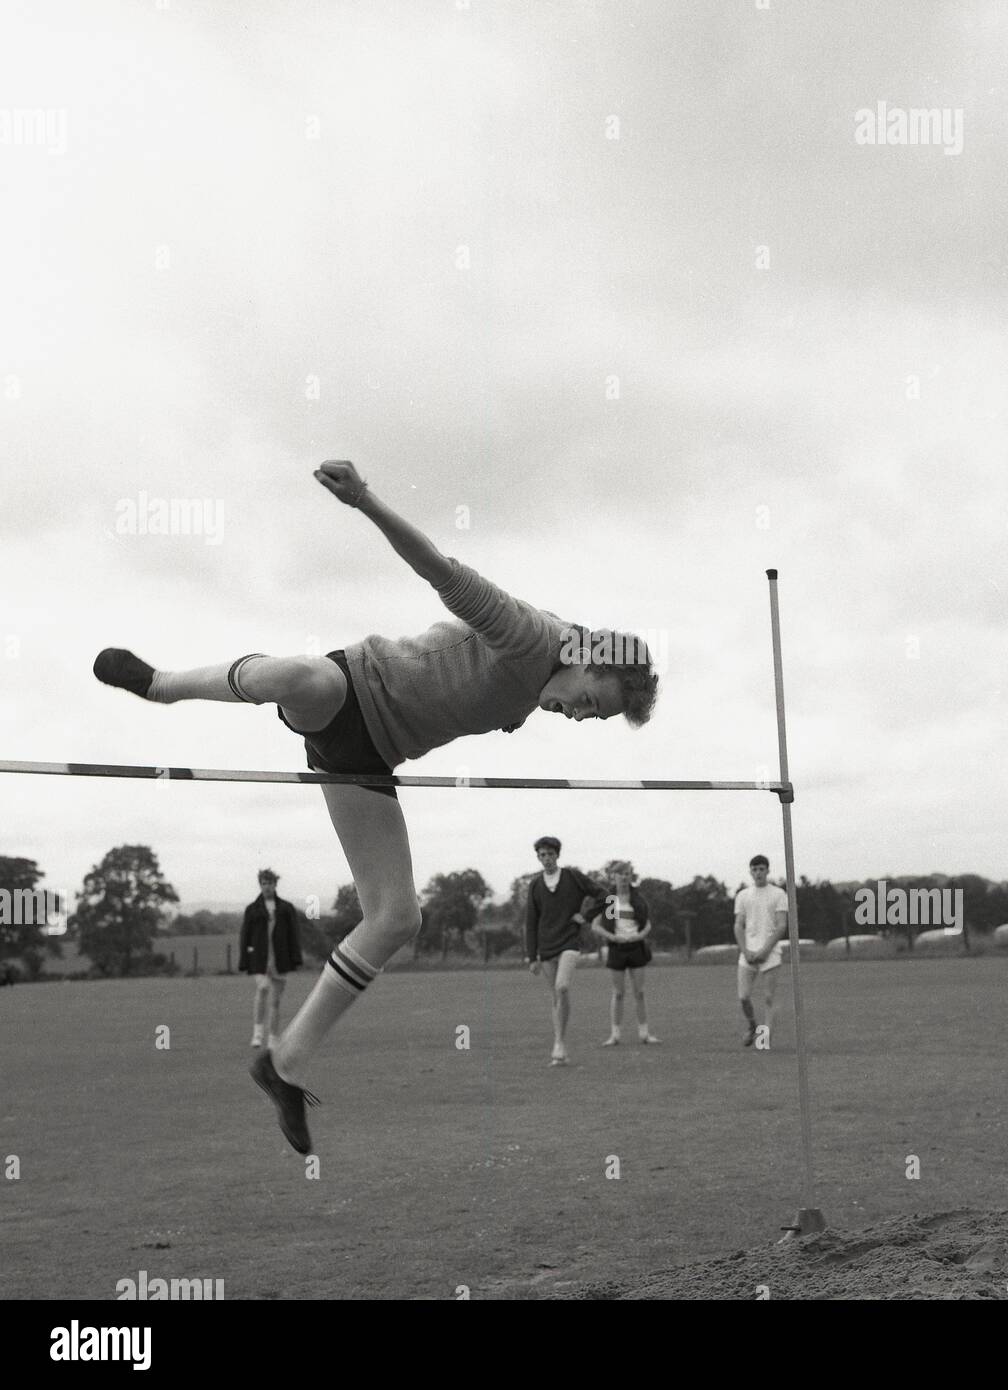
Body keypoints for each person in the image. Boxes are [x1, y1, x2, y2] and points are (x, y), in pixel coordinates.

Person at [94, 461, 657, 1152]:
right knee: (301, 677)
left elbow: (479, 695)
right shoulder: (530, 634)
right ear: (589, 656)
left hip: (364, 759)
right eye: (590, 703)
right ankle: (161, 683)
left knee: (396, 917)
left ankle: (283, 1062)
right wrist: (365, 501)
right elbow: (440, 569)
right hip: (350, 689)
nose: (577, 716)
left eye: (591, 720)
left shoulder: (538, 689)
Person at [524, 837, 605, 1065]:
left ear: (557, 855)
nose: (546, 859)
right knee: (555, 997)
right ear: (538, 857)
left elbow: (606, 897)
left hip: (570, 942)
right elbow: (531, 922)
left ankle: (559, 1044)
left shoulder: (573, 877)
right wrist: (532, 956)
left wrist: (586, 916)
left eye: (550, 854)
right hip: (546, 946)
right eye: (542, 855)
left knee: (562, 987)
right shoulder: (535, 886)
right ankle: (559, 1047)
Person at [586, 860, 660, 1047]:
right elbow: (596, 926)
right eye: (620, 874)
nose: (624, 877)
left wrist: (640, 935)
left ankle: (645, 1034)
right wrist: (613, 937)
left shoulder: (637, 899)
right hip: (617, 949)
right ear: (614, 876)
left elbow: (646, 923)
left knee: (639, 993)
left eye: (627, 873)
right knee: (618, 993)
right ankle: (615, 1035)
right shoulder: (610, 900)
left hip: (636, 948)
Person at [238, 869, 303, 1048]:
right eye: (263, 883)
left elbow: (293, 935)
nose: (267, 886)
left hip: (280, 960)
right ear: (260, 885)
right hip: (259, 960)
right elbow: (245, 936)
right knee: (263, 988)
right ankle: (258, 1034)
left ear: (275, 885)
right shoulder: (252, 910)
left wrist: (295, 958)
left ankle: (273, 1040)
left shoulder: (286, 909)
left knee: (275, 1001)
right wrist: (244, 960)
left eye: (270, 883)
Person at [733, 854, 788, 1049]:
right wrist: (745, 950)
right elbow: (738, 925)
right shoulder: (743, 895)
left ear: (767, 870)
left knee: (768, 997)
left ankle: (764, 1040)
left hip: (770, 953)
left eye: (761, 869)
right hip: (748, 952)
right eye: (754, 869)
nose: (758, 873)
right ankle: (752, 1025)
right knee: (744, 996)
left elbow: (782, 926)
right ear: (750, 872)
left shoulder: (779, 894)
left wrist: (765, 950)